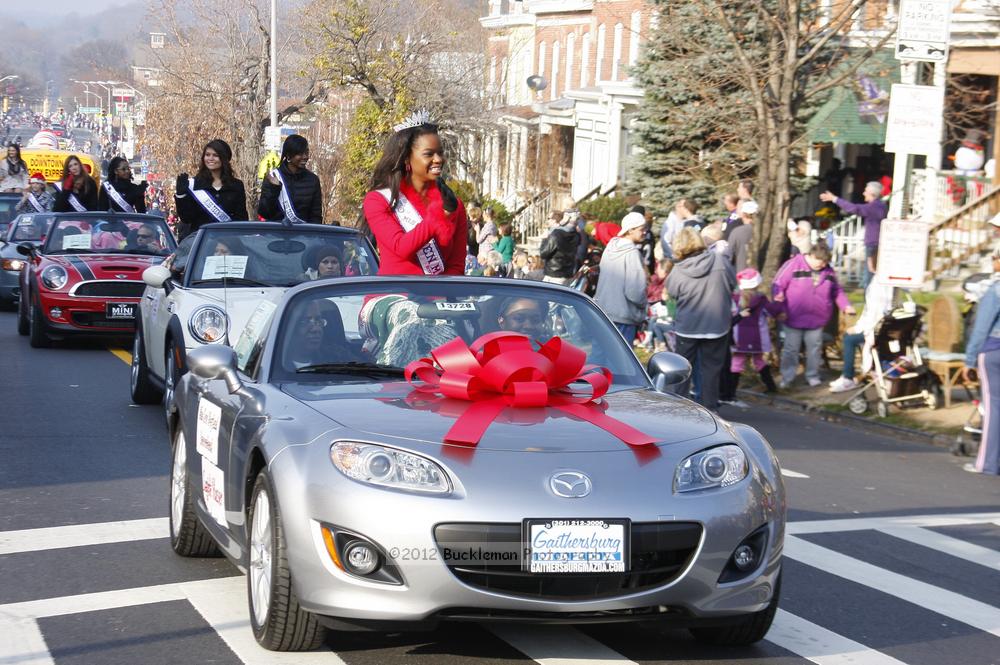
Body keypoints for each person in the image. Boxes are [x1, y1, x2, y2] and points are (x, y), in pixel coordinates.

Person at [362, 113, 467, 276]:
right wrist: (439, 216)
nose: (438, 159)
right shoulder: (379, 200)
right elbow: (401, 247)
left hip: (439, 297)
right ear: (406, 159)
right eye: (429, 154)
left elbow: (457, 267)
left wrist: (442, 297)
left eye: (440, 152)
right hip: (394, 294)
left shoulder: (454, 204)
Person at [666, 228, 737, 411]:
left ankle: (680, 409)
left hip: (688, 326)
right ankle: (710, 409)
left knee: (682, 370)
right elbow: (732, 283)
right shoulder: (720, 261)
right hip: (717, 325)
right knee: (711, 371)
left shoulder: (678, 270)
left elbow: (673, 293)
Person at [772, 243, 855, 388]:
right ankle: (787, 377)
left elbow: (837, 291)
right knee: (791, 348)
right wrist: (780, 309)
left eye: (824, 262)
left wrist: (845, 305)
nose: (821, 265)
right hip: (792, 316)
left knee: (814, 348)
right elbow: (778, 285)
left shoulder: (828, 271)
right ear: (811, 256)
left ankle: (812, 375)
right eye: (819, 261)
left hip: (817, 318)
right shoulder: (793, 265)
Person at [963, 247, 1000, 475]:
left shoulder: (995, 290)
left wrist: (970, 359)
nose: (993, 261)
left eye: (995, 257)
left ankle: (987, 462)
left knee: (994, 406)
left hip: (994, 349)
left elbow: (981, 328)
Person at [828, 275, 894, 393]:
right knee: (850, 337)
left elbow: (874, 312)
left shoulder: (878, 283)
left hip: (878, 330)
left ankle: (848, 377)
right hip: (889, 328)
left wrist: (859, 328)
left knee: (849, 339)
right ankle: (848, 375)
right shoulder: (890, 280)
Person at [174, 139, 249, 240]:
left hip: (227, 244)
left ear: (224, 158)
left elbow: (241, 220)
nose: (210, 158)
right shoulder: (193, 184)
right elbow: (186, 218)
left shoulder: (236, 185)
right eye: (207, 155)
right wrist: (181, 195)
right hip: (200, 243)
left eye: (215, 155)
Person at [594, 212, 648, 344]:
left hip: (604, 313)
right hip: (623, 316)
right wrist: (643, 305)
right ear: (630, 230)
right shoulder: (632, 254)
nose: (645, 232)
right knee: (621, 362)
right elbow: (635, 292)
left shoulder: (609, 248)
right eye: (642, 229)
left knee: (600, 357)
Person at [820, 181, 886, 288]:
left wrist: (834, 199)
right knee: (871, 274)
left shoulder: (873, 207)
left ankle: (868, 301)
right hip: (876, 244)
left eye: (865, 191)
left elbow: (854, 208)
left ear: (872, 194)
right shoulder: (880, 206)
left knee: (869, 277)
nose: (863, 193)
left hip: (873, 245)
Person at [729, 268, 781, 396]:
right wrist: (780, 302)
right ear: (757, 283)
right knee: (759, 361)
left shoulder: (734, 298)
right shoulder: (761, 299)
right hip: (757, 337)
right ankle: (771, 387)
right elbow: (772, 312)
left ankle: (730, 391)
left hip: (738, 338)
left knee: (736, 363)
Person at [258, 134, 323, 224]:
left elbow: (315, 216)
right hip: (275, 234)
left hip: (303, 235)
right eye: (300, 153)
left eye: (306, 152)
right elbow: (264, 213)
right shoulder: (273, 177)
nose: (305, 157)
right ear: (288, 155)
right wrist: (274, 189)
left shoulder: (313, 180)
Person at [539, 210, 580, 285]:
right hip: (567, 274)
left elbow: (543, 253)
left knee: (545, 295)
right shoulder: (576, 235)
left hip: (553, 274)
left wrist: (544, 239)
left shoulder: (556, 234)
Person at [727, 200, 758, 269]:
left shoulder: (737, 231)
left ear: (743, 214)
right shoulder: (764, 231)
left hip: (741, 273)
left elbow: (729, 255)